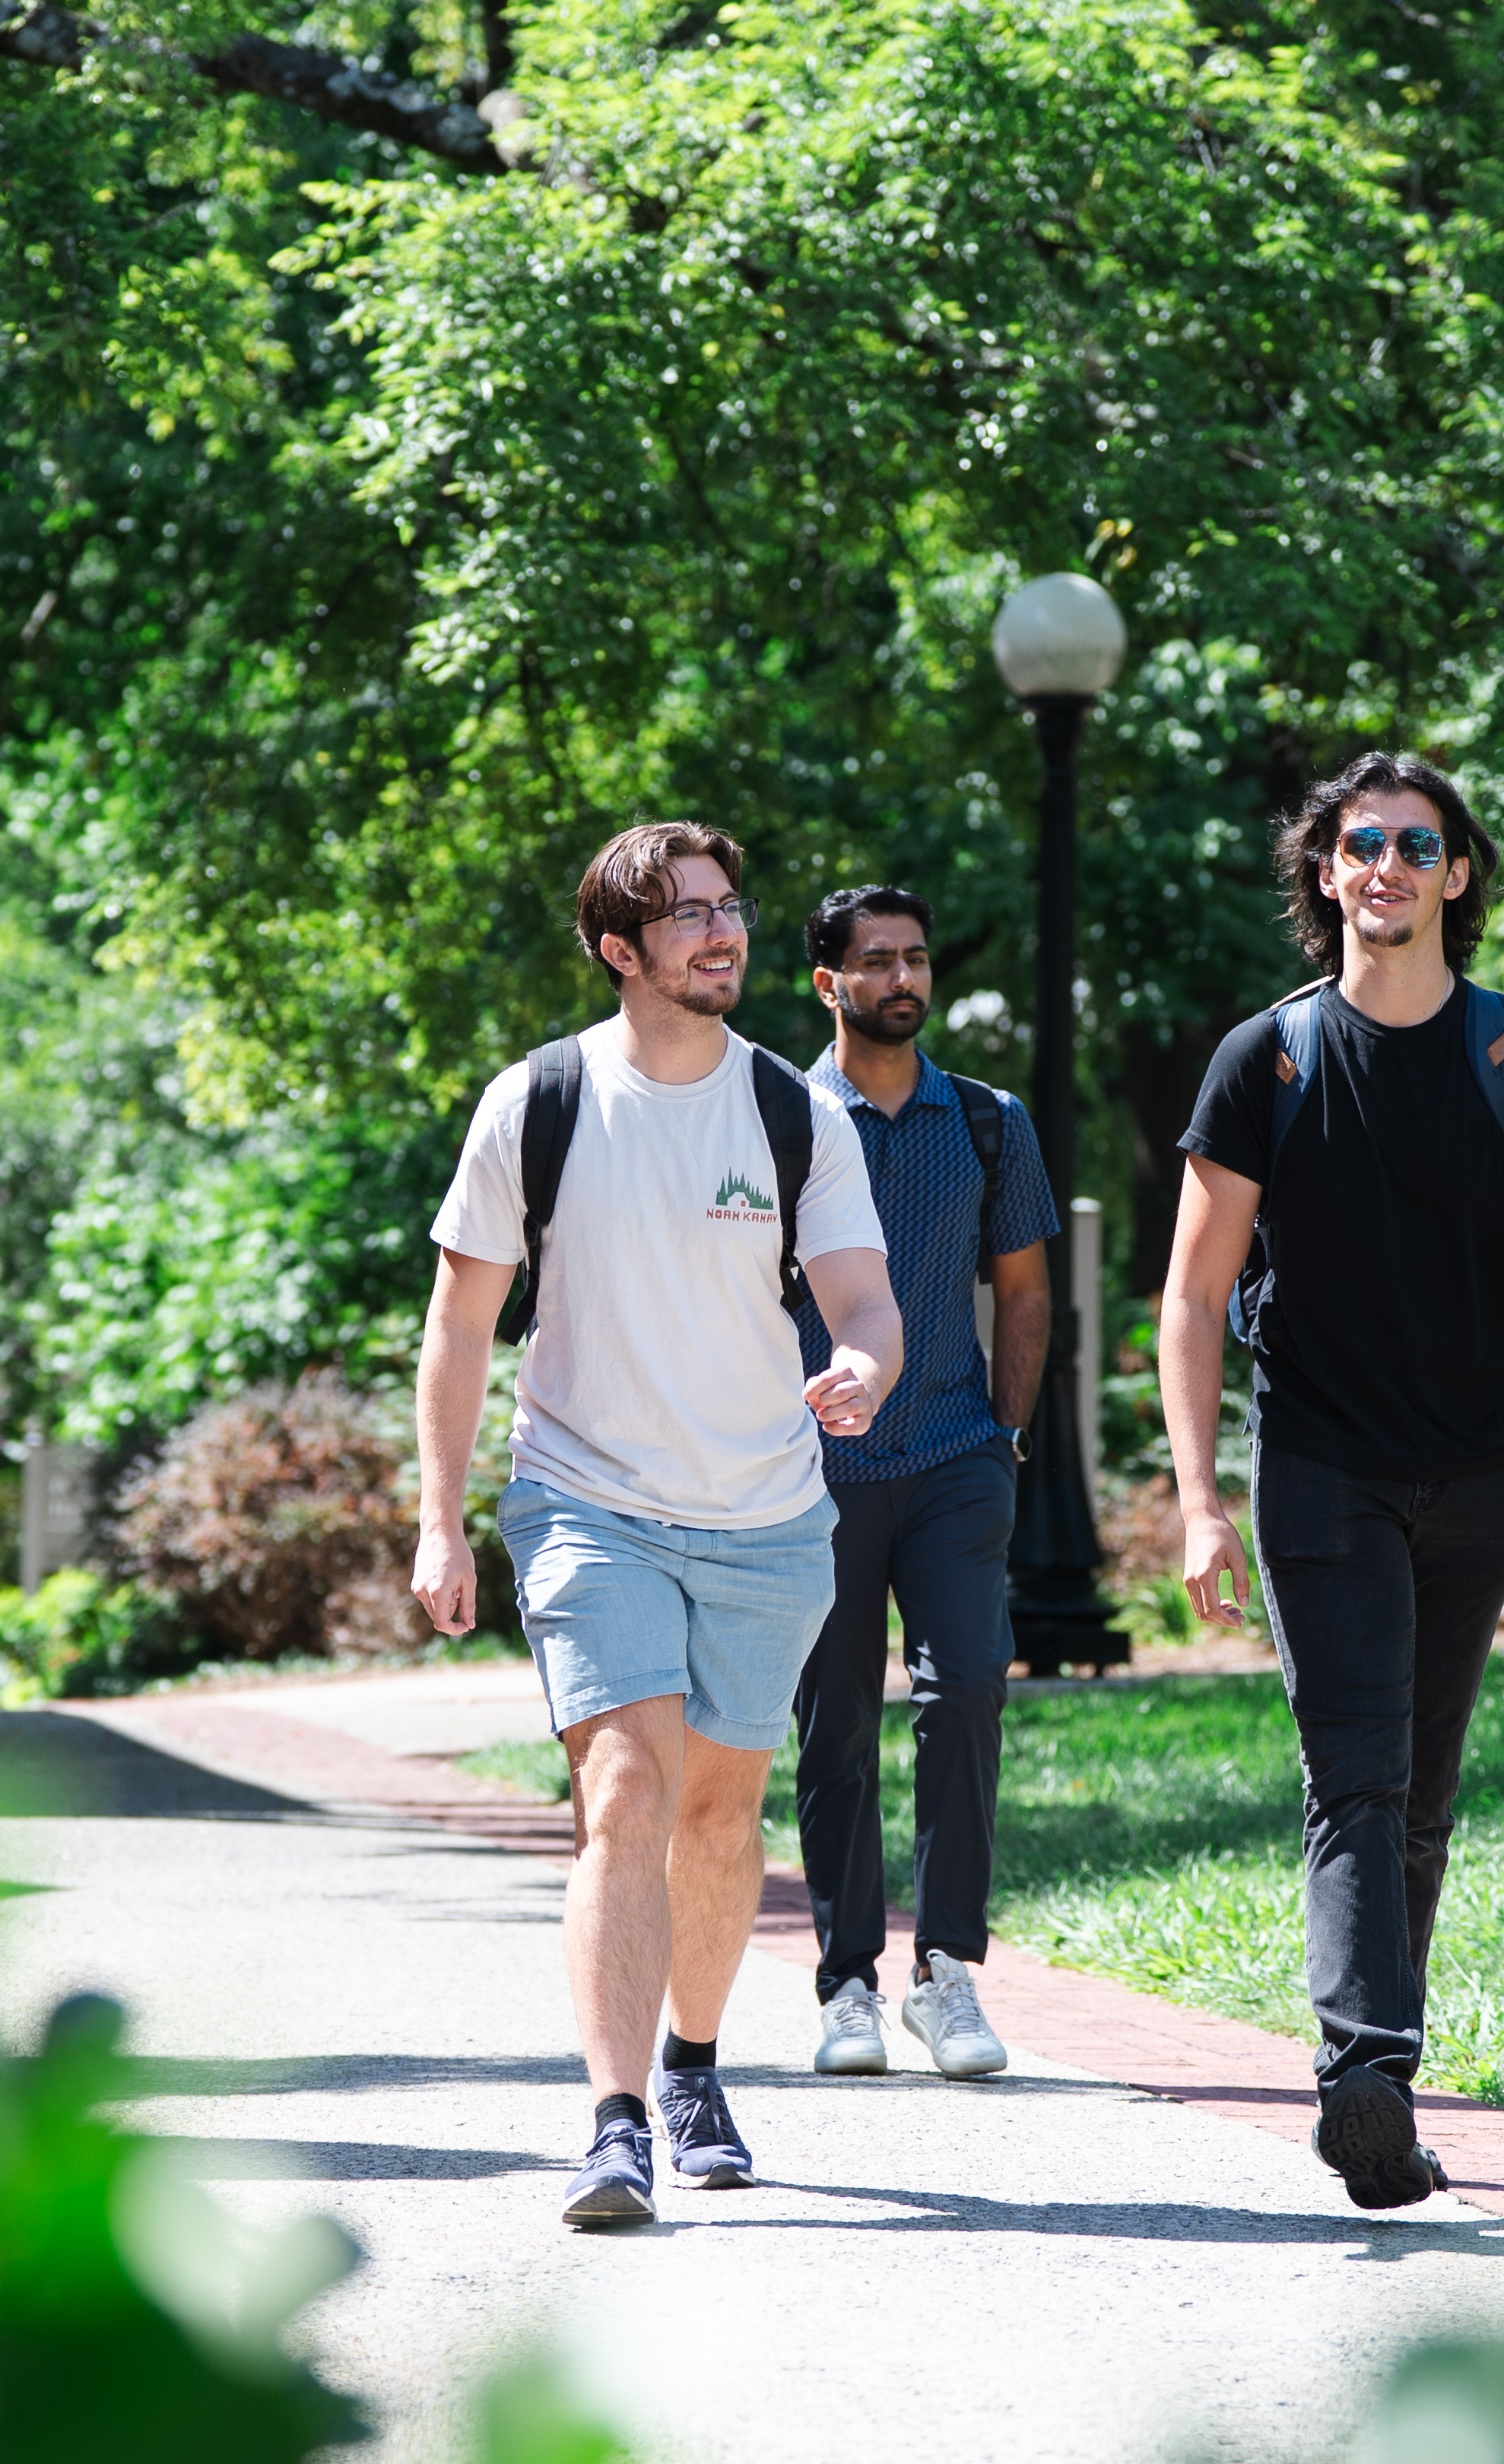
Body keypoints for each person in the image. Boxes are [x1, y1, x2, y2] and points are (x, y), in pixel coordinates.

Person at [411, 823, 906, 2228]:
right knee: (626, 1788)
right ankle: (617, 2120)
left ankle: (695, 2065)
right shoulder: (542, 1101)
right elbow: (458, 1325)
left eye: (729, 909)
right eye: (686, 917)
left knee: (720, 1810)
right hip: (587, 1501)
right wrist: (440, 1518)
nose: (721, 934)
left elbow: (863, 1300)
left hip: (764, 1511)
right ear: (621, 950)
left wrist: (862, 1366)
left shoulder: (790, 1111)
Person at [1152, 753, 1504, 2212]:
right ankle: (1369, 2063)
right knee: (1355, 1770)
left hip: (1479, 1479)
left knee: (1417, 1788)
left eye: (1420, 845)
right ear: (1327, 871)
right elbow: (1189, 1293)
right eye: (1364, 843)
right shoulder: (1269, 1059)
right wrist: (1197, 1500)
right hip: (1319, 1470)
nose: (1390, 867)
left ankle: (1378, 2088)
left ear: (1456, 875)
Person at [786, 886, 1058, 2082]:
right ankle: (847, 1980)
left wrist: (1005, 1430)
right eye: (875, 960)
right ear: (828, 983)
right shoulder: (777, 1118)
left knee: (966, 1699)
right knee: (832, 1721)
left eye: (916, 958)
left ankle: (947, 1972)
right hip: (812, 1473)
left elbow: (1027, 1286)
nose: (902, 977)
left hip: (953, 1456)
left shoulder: (991, 1120)